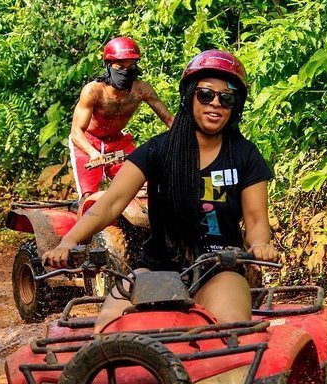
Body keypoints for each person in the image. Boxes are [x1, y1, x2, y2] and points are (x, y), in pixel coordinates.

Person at [45, 49, 278, 328]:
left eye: (225, 99)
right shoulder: (158, 149)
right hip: (156, 269)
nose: (215, 104)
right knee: (106, 329)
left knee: (232, 332)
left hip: (220, 268)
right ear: (190, 95)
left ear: (235, 106)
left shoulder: (245, 156)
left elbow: (255, 220)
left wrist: (261, 244)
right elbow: (111, 202)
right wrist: (69, 241)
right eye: (205, 95)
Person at [69, 36, 174, 201]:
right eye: (120, 66)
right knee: (89, 198)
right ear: (109, 66)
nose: (126, 71)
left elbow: (169, 119)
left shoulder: (142, 90)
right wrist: (92, 153)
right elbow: (76, 131)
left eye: (131, 66)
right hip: (89, 142)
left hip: (118, 142)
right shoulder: (94, 91)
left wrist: (191, 139)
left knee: (143, 188)